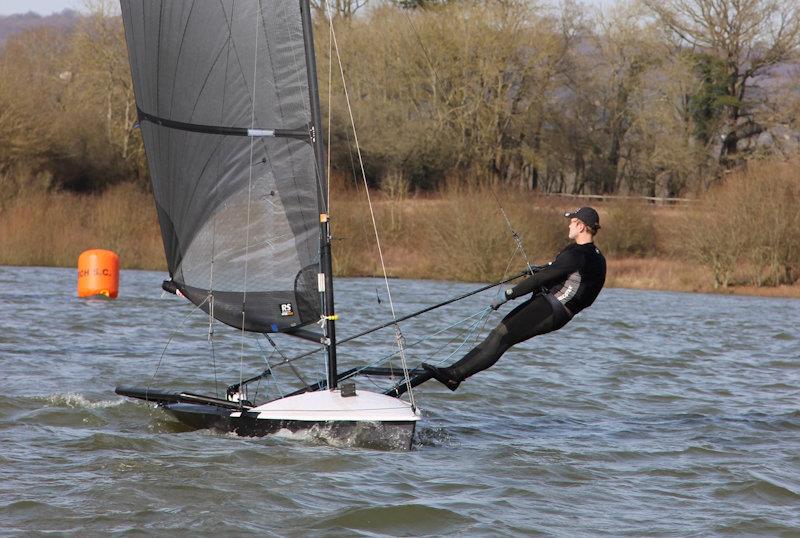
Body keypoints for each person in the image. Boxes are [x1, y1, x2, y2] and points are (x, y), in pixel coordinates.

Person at [422, 207, 606, 391]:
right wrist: (543, 269)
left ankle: (454, 376)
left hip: (552, 308)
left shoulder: (577, 254)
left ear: (581, 227)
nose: (569, 225)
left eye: (572, 222)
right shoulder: (593, 256)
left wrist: (509, 295)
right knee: (499, 333)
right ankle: (453, 372)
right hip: (552, 306)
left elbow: (543, 280)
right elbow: (566, 274)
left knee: (502, 337)